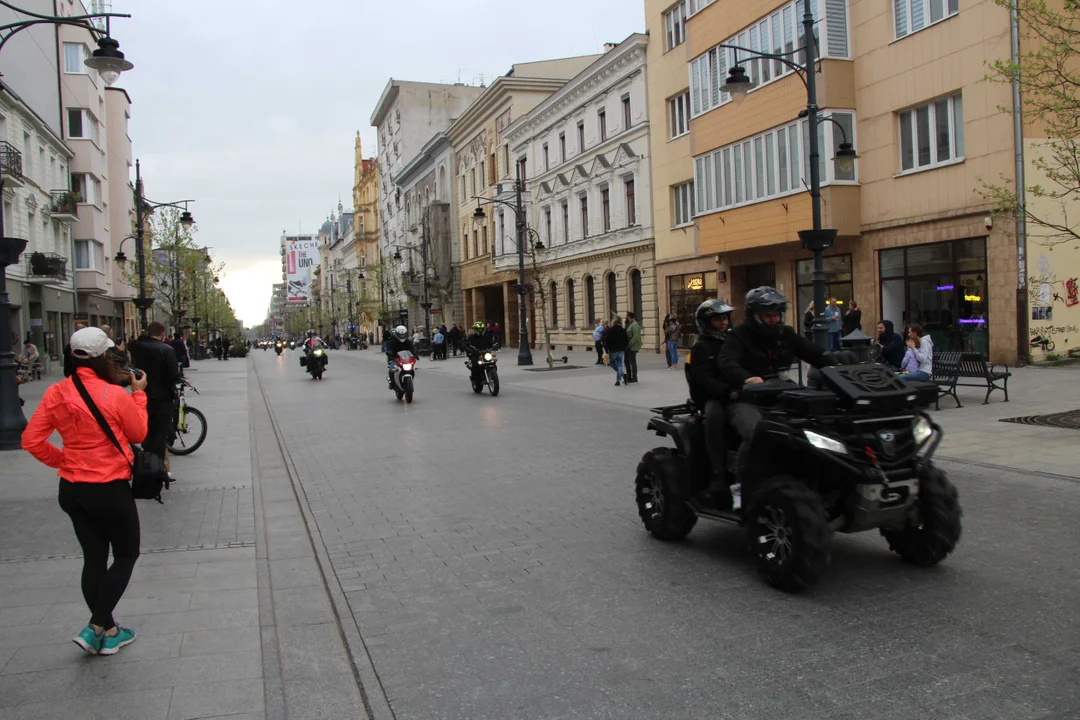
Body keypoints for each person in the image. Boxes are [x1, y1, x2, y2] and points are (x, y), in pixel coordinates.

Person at [22, 327, 147, 656]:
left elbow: (31, 441)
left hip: (72, 489)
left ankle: (108, 630)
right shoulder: (114, 394)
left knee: (93, 558)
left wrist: (63, 459)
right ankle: (96, 626)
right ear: (104, 356)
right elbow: (139, 431)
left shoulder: (56, 393)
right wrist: (139, 395)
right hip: (108, 488)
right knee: (126, 555)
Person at [719, 287, 829, 509]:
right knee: (754, 432)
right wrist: (746, 379)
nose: (773, 320)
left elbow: (813, 353)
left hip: (782, 393)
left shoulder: (785, 334)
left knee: (820, 423)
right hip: (747, 399)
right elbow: (726, 361)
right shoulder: (738, 336)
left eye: (776, 315)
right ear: (755, 315)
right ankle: (741, 486)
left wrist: (838, 360)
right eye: (768, 315)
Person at [685, 299, 736, 495]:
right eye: (717, 319)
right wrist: (726, 392)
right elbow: (703, 379)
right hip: (712, 398)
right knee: (715, 417)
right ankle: (717, 472)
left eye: (725, 318)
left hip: (737, 393)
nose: (723, 322)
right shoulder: (701, 348)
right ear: (706, 322)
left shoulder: (733, 342)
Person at [129, 322, 181, 472]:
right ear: (162, 333)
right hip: (162, 397)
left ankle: (145, 461)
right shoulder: (167, 349)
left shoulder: (137, 348)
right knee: (160, 433)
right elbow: (173, 375)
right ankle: (156, 468)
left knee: (147, 431)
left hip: (142, 394)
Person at [604, 317, 629, 386]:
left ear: (613, 322)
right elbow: (626, 340)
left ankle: (622, 376)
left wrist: (608, 348)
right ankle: (619, 379)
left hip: (612, 350)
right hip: (621, 350)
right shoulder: (623, 330)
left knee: (612, 363)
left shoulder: (610, 330)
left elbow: (607, 340)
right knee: (619, 364)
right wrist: (624, 347)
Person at [624, 311, 643, 384]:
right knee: (626, 361)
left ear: (629, 316)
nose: (626, 317)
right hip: (627, 346)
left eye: (626, 316)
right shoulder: (629, 324)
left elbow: (636, 337)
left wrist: (629, 344)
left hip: (632, 347)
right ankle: (629, 376)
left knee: (632, 362)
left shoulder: (635, 325)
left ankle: (634, 377)